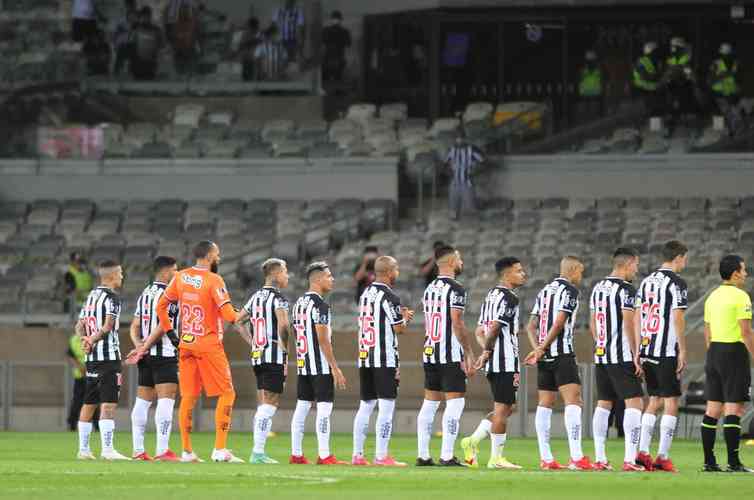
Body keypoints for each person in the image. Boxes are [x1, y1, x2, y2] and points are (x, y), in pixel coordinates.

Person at [156, 240, 243, 463]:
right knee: (227, 393)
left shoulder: (181, 276)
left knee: (189, 396)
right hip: (208, 344)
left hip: (185, 343)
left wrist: (171, 333)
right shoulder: (214, 280)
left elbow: (161, 306)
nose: (219, 258)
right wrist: (245, 313)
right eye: (217, 254)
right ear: (209, 256)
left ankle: (186, 451)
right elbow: (228, 316)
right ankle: (220, 450)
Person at [524, 256, 593, 471]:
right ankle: (577, 457)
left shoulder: (544, 291)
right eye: (580, 272)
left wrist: (537, 349)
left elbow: (530, 326)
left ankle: (546, 458)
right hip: (562, 355)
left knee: (545, 403)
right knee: (574, 401)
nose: (580, 276)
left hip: (545, 358)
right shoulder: (570, 291)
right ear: (572, 270)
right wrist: (542, 348)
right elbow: (559, 323)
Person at [464, 257, 527, 469]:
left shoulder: (491, 295)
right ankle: (496, 459)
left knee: (506, 407)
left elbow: (479, 331)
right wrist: (488, 351)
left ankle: (472, 441)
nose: (523, 274)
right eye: (519, 271)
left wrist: (485, 352)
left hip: (495, 362)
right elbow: (494, 329)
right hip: (505, 362)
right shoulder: (510, 298)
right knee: (503, 410)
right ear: (507, 274)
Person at [416, 245, 476, 467]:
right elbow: (457, 323)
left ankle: (423, 455)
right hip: (450, 354)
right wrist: (468, 353)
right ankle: (447, 455)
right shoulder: (457, 289)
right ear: (451, 262)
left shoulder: (430, 288)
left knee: (429, 404)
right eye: (459, 258)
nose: (461, 262)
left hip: (430, 351)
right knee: (455, 403)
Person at [351, 256, 414, 467]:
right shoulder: (390, 296)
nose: (398, 272)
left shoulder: (365, 293)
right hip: (384, 358)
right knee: (386, 407)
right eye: (396, 269)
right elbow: (399, 328)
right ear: (389, 271)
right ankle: (381, 456)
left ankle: (358, 455)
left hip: (365, 356)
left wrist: (399, 317)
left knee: (365, 406)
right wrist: (405, 318)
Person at [635, 241, 689, 472]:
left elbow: (637, 316)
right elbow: (677, 317)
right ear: (678, 258)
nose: (686, 262)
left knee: (654, 400)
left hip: (647, 349)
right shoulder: (677, 283)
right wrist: (683, 349)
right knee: (671, 401)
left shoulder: (646, 282)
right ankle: (662, 456)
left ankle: (642, 452)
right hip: (666, 350)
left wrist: (638, 348)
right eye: (685, 258)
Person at [589, 247, 645, 472]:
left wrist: (601, 343)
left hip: (602, 355)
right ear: (628, 264)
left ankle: (600, 458)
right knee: (635, 403)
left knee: (604, 403)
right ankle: (630, 460)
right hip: (621, 355)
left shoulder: (598, 288)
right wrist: (635, 354)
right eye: (636, 265)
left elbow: (593, 322)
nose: (637, 270)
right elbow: (629, 323)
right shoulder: (627, 290)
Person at [289, 261, 347, 465]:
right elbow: (323, 339)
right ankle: (324, 455)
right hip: (320, 365)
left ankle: (296, 454)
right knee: (324, 409)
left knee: (302, 407)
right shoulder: (320, 305)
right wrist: (335, 367)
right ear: (318, 279)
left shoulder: (298, 304)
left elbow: (296, 334)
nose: (332, 279)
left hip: (304, 364)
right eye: (329, 276)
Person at [701, 254, 754, 473]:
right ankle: (734, 463)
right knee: (734, 408)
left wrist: (714, 354)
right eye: (743, 270)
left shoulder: (711, 297)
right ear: (734, 274)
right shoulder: (741, 297)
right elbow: (745, 331)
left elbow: (707, 331)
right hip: (734, 351)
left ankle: (709, 462)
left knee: (712, 409)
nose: (746, 274)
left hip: (713, 352)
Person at [236, 258, 292, 464]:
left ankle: (259, 451)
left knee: (266, 402)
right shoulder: (279, 299)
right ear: (276, 274)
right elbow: (284, 326)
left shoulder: (255, 297)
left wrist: (252, 343)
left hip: (258, 356)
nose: (287, 276)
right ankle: (257, 452)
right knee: (269, 403)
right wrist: (285, 348)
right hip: (273, 356)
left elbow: (238, 320)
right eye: (285, 272)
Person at [126, 256, 180, 462]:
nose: (177, 274)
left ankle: (138, 450)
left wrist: (139, 345)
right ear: (165, 272)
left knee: (143, 401)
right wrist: (145, 347)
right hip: (163, 353)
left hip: (146, 356)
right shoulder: (170, 295)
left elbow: (134, 326)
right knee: (166, 400)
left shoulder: (145, 293)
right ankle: (162, 450)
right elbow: (162, 327)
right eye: (175, 270)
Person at [75, 260, 128, 460]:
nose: (122, 277)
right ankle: (107, 450)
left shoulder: (91, 296)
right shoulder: (113, 298)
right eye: (121, 273)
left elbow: (79, 325)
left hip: (92, 359)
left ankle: (84, 450)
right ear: (112, 276)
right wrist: (92, 339)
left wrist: (84, 339)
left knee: (89, 403)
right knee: (108, 404)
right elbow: (107, 327)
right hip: (108, 358)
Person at [446, 135, 484, 221]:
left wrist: (474, 172)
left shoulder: (472, 150)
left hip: (467, 183)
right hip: (454, 183)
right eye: (457, 138)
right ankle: (454, 226)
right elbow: (445, 164)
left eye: (461, 138)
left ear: (465, 139)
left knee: (470, 208)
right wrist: (450, 173)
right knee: (453, 209)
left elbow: (483, 163)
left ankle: (471, 226)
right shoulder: (451, 150)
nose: (459, 140)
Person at [709, 43, 742, 134]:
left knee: (724, 111)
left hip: (724, 91)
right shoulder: (734, 63)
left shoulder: (717, 63)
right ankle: (727, 130)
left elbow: (711, 77)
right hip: (726, 91)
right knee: (726, 111)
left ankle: (728, 130)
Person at [130, 6, 164, 80]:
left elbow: (161, 47)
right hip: (138, 65)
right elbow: (131, 46)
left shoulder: (156, 30)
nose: (145, 18)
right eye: (144, 16)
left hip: (151, 65)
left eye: (147, 16)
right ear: (141, 17)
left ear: (150, 16)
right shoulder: (136, 29)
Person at [632, 42, 662, 117]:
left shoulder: (655, 61)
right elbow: (643, 75)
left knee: (655, 107)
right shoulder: (642, 61)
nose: (657, 53)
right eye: (655, 51)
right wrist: (654, 77)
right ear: (650, 52)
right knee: (649, 107)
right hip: (643, 87)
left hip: (651, 87)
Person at [321, 10, 351, 84]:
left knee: (331, 78)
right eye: (335, 19)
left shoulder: (326, 30)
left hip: (332, 57)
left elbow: (348, 44)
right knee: (336, 78)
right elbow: (348, 44)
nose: (336, 21)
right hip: (335, 57)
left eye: (336, 19)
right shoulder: (344, 31)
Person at [66, 332, 88, 431]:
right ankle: (72, 424)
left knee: (92, 400)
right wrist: (80, 367)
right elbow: (71, 356)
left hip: (90, 373)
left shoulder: (75, 339)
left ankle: (96, 424)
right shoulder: (74, 339)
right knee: (78, 400)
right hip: (81, 375)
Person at [113, 0, 138, 76]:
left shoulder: (136, 19)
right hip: (122, 45)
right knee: (121, 51)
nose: (129, 8)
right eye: (128, 6)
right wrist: (115, 44)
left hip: (133, 45)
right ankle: (117, 71)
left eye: (131, 6)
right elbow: (116, 34)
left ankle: (132, 71)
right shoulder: (121, 20)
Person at [577, 50, 603, 120]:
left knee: (592, 116)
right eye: (590, 62)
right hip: (587, 96)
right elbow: (579, 81)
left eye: (592, 61)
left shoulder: (597, 70)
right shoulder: (583, 71)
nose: (591, 63)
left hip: (593, 96)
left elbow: (601, 81)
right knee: (587, 116)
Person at [238, 17, 263, 81]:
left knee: (256, 77)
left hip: (256, 60)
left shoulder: (259, 34)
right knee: (247, 77)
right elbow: (241, 45)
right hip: (247, 59)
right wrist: (253, 41)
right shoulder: (246, 34)